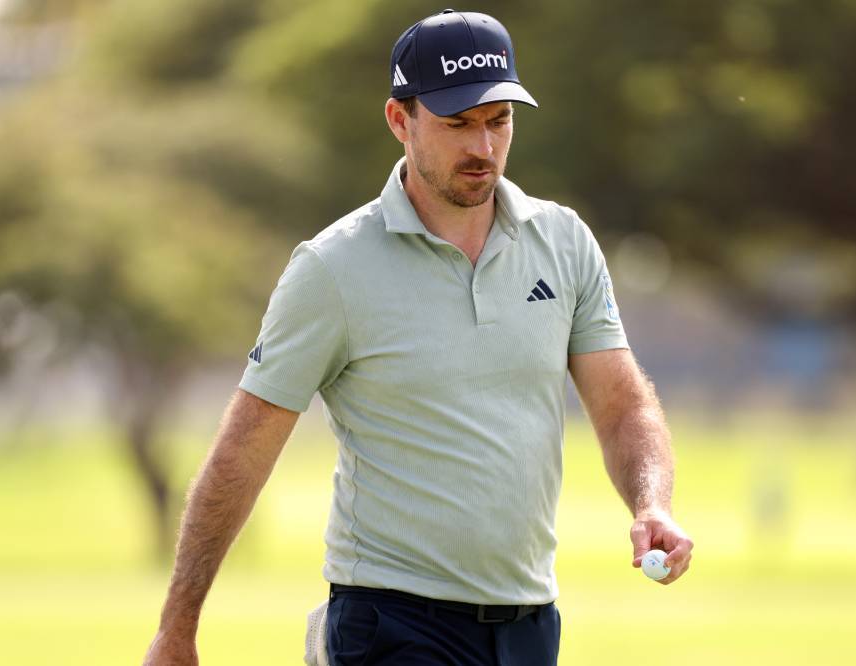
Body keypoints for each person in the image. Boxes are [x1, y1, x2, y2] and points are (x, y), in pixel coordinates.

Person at [143, 9, 692, 666]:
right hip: (391, 620)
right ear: (400, 121)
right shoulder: (332, 268)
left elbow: (623, 405)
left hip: (529, 623)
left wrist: (652, 503)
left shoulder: (564, 242)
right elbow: (245, 446)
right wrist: (178, 626)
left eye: (499, 121)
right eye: (458, 124)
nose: (483, 147)